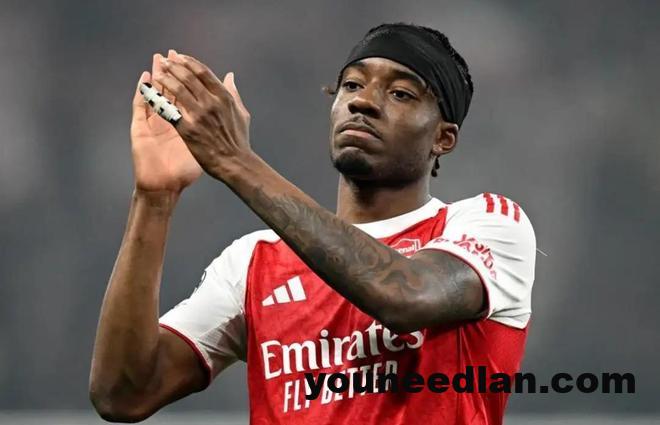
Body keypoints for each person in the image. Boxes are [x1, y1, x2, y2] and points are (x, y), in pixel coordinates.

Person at [89, 23, 536, 424]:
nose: (363, 101)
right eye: (352, 85)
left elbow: (406, 299)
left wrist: (234, 159)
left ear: (443, 137)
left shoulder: (488, 225)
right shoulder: (254, 261)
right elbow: (123, 395)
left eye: (401, 93)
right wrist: (154, 197)